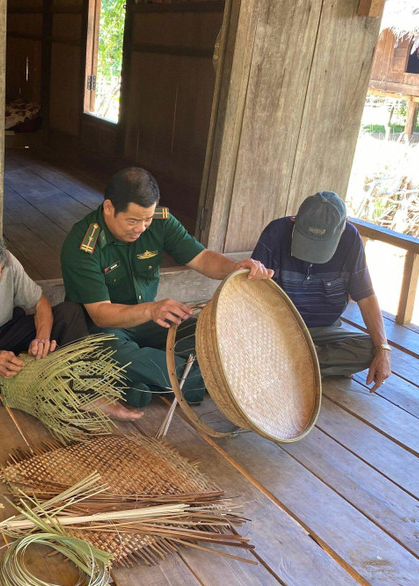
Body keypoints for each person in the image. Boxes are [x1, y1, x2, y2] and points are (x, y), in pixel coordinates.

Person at [61, 167, 273, 412]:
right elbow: (100, 313)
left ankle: (145, 381)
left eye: (147, 219)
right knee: (119, 357)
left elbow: (202, 258)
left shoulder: (160, 222)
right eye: (132, 220)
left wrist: (235, 267)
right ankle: (218, 379)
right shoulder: (83, 244)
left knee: (207, 332)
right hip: (103, 332)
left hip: (149, 323)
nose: (141, 228)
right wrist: (152, 309)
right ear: (109, 207)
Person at [0, 227, 117, 412]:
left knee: (71, 313)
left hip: (8, 330)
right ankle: (33, 373)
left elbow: (40, 303)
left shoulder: (7, 262)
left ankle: (84, 390)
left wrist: (42, 338)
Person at [251, 191, 391, 392]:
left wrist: (384, 349)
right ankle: (310, 364)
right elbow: (250, 289)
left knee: (371, 350)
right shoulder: (276, 232)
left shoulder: (351, 239)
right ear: (295, 220)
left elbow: (366, 296)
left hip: (325, 330)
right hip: (277, 329)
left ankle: (282, 363)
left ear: (342, 230)